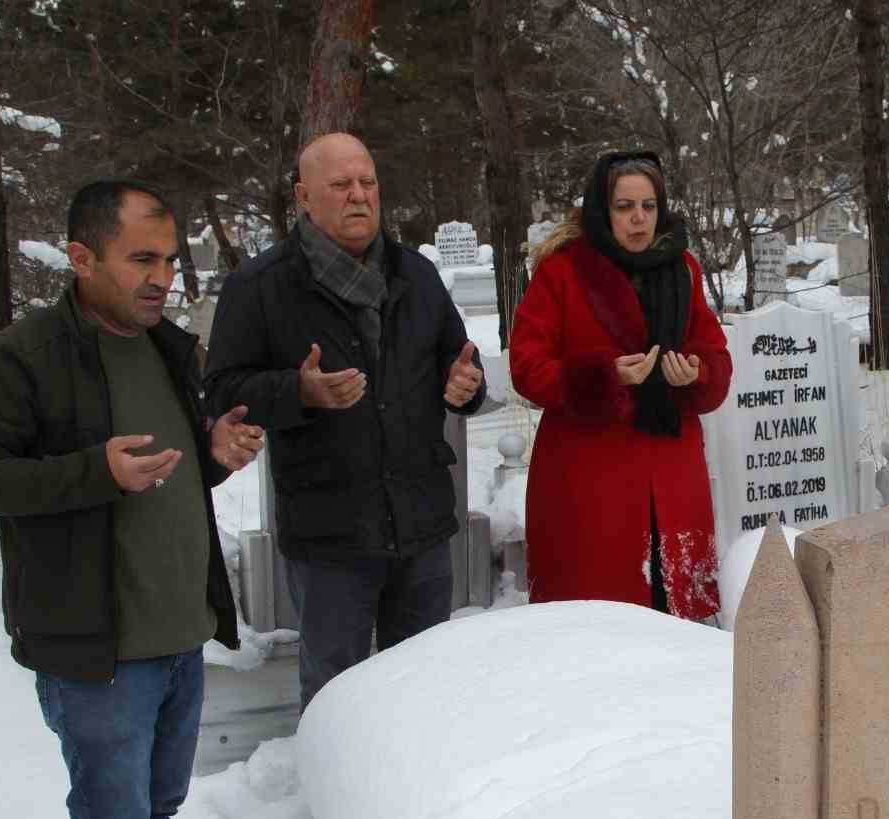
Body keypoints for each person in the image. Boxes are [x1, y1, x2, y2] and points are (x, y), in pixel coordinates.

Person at [0, 179, 264, 819]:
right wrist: (91, 471)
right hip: (95, 648)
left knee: (157, 808)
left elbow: (162, 477)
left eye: (170, 261)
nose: (161, 279)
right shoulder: (24, 356)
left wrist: (213, 458)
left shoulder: (167, 348)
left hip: (177, 631)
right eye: (141, 259)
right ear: (81, 258)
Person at [204, 133, 486, 709]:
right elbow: (225, 389)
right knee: (337, 690)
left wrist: (466, 388)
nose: (359, 196)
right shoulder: (259, 287)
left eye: (368, 183)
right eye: (341, 185)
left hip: (420, 520)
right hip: (330, 527)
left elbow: (456, 363)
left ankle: (425, 795)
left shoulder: (416, 275)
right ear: (305, 197)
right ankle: (334, 795)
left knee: (428, 687)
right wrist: (297, 391)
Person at [510, 151, 732, 618]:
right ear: (601, 209)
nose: (638, 219)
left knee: (675, 628)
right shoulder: (562, 271)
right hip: (590, 483)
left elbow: (714, 355)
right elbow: (527, 368)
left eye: (649, 206)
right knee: (596, 629)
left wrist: (697, 374)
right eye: (624, 206)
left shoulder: (683, 268)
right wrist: (601, 376)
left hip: (672, 477)